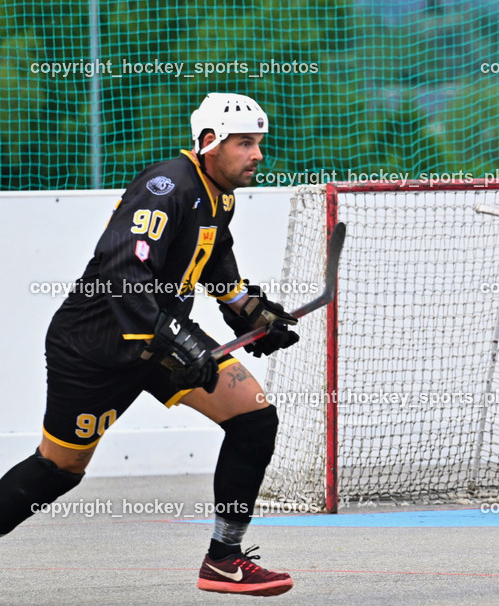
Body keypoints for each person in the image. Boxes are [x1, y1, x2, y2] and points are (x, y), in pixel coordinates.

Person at [0, 93, 300, 595]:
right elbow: (123, 274)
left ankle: (223, 560)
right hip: (95, 348)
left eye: (258, 143)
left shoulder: (220, 196)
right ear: (210, 143)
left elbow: (216, 266)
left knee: (253, 418)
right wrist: (183, 341)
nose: (257, 155)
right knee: (60, 468)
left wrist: (253, 313)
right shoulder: (167, 187)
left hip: (158, 340)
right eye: (245, 143)